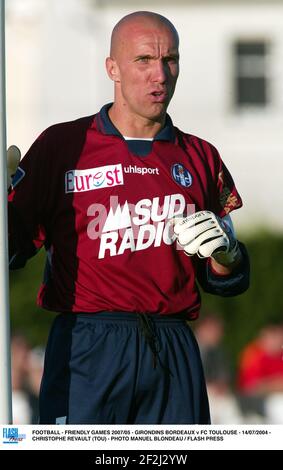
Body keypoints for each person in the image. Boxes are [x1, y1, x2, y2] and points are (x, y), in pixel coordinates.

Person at [8, 11, 249, 424]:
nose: (160, 75)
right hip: (87, 346)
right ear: (112, 68)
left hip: (173, 348)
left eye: (170, 60)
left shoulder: (200, 155)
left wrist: (227, 255)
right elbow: (11, 252)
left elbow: (225, 278)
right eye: (143, 60)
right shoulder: (63, 145)